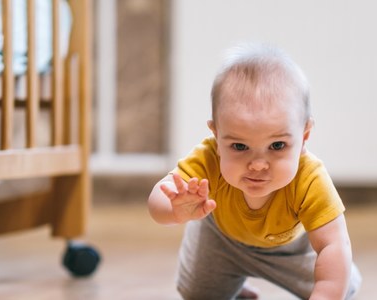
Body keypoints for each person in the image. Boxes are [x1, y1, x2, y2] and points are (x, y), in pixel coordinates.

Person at [148, 42, 362, 299]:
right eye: (240, 146)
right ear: (216, 136)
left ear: (304, 136)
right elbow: (159, 198)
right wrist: (174, 209)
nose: (258, 164)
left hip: (290, 248)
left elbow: (333, 244)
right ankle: (234, 286)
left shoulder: (310, 179)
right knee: (196, 294)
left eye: (277, 145)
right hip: (220, 239)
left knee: (341, 287)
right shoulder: (207, 159)